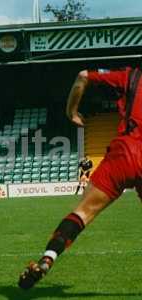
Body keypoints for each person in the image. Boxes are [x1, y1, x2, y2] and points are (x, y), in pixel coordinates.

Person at [18, 66, 142, 289]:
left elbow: (83, 75)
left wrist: (72, 111)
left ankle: (47, 259)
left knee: (83, 213)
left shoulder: (130, 75)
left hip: (126, 151)